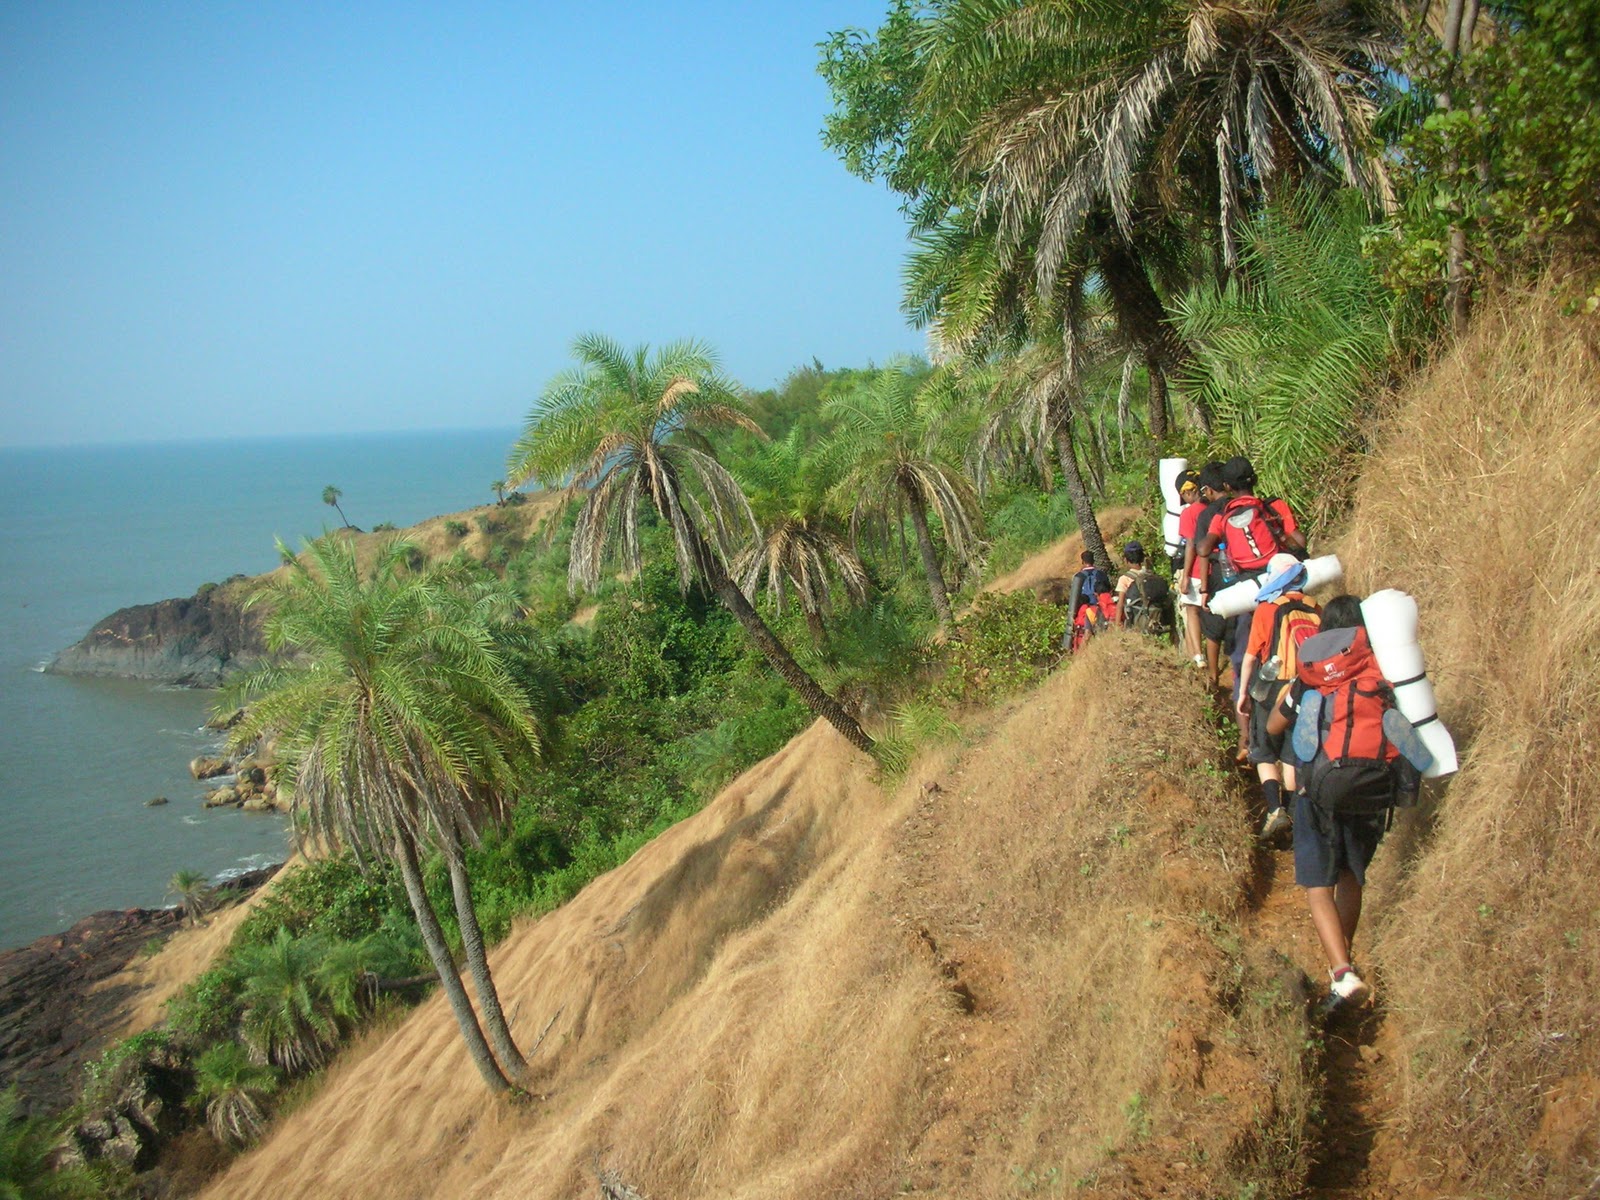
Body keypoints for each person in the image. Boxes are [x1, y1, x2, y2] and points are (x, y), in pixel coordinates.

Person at [1266, 595, 1422, 1015]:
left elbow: (1275, 724)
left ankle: (1342, 973)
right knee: (1351, 874)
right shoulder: (1382, 668)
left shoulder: (1313, 672)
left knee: (1319, 884)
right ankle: (1344, 965)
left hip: (1318, 790)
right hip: (1372, 786)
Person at [1193, 456, 1307, 715]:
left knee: (1245, 654)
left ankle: (1248, 718)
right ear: (1254, 479)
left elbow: (1203, 549)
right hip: (1286, 584)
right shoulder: (1273, 506)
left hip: (1252, 592)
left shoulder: (1223, 516)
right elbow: (1299, 542)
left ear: (1226, 486)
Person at [1237, 554, 1322, 839]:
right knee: (1291, 756)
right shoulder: (1315, 607)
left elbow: (1251, 656)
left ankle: (1275, 809)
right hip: (1306, 690)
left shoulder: (1267, 609)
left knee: (1264, 751)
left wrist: (1243, 693)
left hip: (1272, 689)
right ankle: (1296, 818)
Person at [1181, 463, 1232, 689]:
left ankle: (1210, 671)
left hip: (1213, 573)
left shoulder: (1201, 514)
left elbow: (1198, 548)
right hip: (1244, 572)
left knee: (1209, 625)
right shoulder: (1239, 505)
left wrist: (1201, 587)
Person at [1173, 470, 1207, 667]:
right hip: (1216, 568)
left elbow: (1190, 545)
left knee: (1192, 610)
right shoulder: (1213, 507)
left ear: (1187, 492)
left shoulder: (1189, 513)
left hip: (1196, 570)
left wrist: (1185, 576)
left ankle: (1198, 655)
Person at [1115, 541, 1170, 633]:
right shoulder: (1151, 575)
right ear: (1142, 558)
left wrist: (1117, 624)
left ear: (1126, 560)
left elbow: (1120, 604)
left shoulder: (1124, 579)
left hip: (1137, 621)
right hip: (1156, 617)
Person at [1062, 551, 1113, 651]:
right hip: (1101, 609)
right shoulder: (1101, 574)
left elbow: (1074, 598)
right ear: (1093, 560)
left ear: (1083, 562)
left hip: (1084, 611)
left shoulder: (1078, 577)